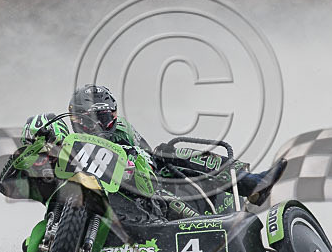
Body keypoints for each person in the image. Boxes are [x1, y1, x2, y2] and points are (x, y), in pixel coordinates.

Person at [66, 84, 287, 206]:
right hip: (96, 199)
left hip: (145, 182)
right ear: (76, 119)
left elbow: (145, 156)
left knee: (171, 152)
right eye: (88, 119)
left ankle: (251, 185)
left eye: (103, 117)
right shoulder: (70, 142)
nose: (98, 124)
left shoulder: (121, 129)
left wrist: (147, 157)